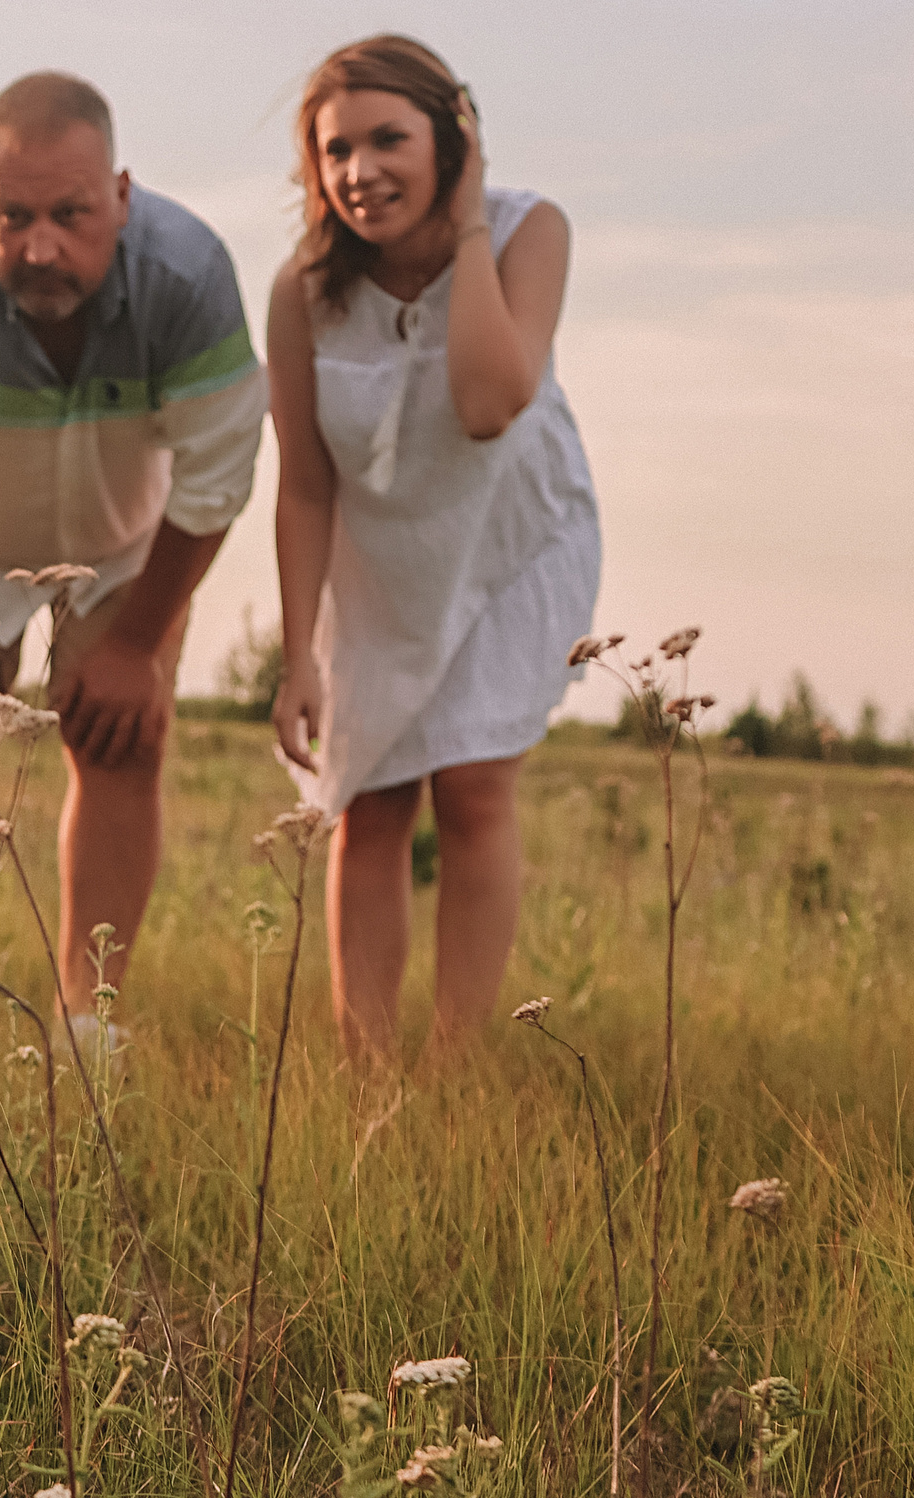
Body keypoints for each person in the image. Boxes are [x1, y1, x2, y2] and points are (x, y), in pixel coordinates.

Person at [0, 71, 266, 1066]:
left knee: (119, 739)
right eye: (10, 214)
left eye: (69, 214)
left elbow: (215, 481)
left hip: (130, 549)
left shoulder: (189, 279)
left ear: (120, 191)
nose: (38, 246)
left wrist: (140, 644)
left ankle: (86, 1024)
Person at [266, 35, 600, 1056]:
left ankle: (458, 1066)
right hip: (377, 565)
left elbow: (490, 402)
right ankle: (366, 1073)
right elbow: (306, 484)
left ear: (451, 139)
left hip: (510, 546)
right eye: (336, 151)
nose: (360, 171)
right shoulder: (301, 292)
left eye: (388, 140)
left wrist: (465, 238)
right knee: (367, 806)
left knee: (472, 787)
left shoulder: (527, 230)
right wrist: (298, 656)